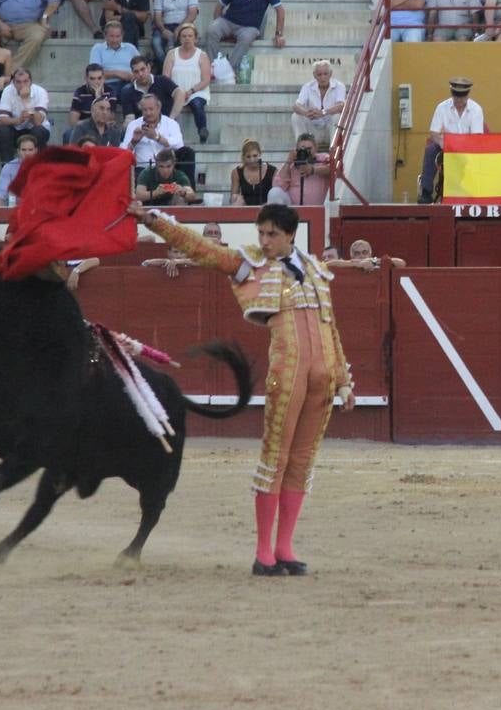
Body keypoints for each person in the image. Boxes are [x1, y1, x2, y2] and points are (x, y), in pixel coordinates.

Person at [128, 201, 354, 578]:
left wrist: (344, 380)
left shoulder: (316, 269)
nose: (264, 241)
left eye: (272, 235)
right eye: (260, 233)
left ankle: (285, 547)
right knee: (275, 459)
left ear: (290, 235)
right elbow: (201, 249)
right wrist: (153, 220)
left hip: (323, 377)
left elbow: (331, 327)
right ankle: (264, 552)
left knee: (301, 461)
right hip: (289, 371)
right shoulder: (251, 264)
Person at [207, 0, 286, 73]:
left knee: (246, 38)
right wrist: (219, 23)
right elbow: (219, 6)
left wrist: (279, 34)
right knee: (212, 29)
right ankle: (213, 66)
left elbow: (280, 10)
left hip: (249, 27)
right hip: (228, 22)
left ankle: (228, 71)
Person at [420, 76, 485, 204]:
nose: (459, 99)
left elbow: (476, 138)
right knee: (430, 151)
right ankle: (426, 192)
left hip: (467, 150)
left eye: (462, 96)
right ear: (452, 94)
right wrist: (444, 143)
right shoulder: (441, 107)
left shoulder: (476, 110)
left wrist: (454, 140)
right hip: (445, 148)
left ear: (468, 95)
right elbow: (434, 133)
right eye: (456, 96)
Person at [151, 0, 199, 71]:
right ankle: (168, 69)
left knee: (185, 39)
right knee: (156, 42)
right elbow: (157, 17)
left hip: (185, 25)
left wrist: (180, 28)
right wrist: (163, 30)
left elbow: (192, 14)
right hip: (165, 25)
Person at [0, 67, 51, 160]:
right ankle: (7, 167)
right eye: (18, 82)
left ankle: (38, 168)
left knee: (38, 131)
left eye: (25, 81)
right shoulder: (8, 91)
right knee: (4, 131)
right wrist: (18, 120)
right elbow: (1, 119)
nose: (22, 85)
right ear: (13, 82)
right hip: (16, 129)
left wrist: (26, 101)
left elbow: (38, 122)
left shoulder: (40, 92)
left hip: (36, 129)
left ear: (31, 82)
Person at [123, 93, 186, 170]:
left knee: (188, 152)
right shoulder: (133, 125)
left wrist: (157, 137)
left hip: (167, 169)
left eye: (151, 109)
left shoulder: (171, 123)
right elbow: (123, 152)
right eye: (145, 110)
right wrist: (134, 142)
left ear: (158, 108)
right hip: (143, 168)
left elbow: (180, 145)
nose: (148, 113)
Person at [290, 59, 346, 144]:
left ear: (330, 74)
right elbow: (296, 106)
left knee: (337, 116)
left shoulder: (339, 86)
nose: (323, 78)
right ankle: (302, 148)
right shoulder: (308, 87)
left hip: (330, 129)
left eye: (325, 74)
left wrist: (323, 112)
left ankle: (334, 149)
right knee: (296, 116)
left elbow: (341, 106)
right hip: (313, 132)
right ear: (314, 75)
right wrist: (307, 113)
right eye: (319, 75)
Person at [270, 131, 331, 206]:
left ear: (316, 148)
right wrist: (288, 162)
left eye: (309, 149)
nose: (306, 152)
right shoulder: (291, 163)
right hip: (293, 209)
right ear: (296, 149)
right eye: (303, 149)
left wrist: (313, 170)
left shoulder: (324, 158)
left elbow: (333, 168)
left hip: (318, 207)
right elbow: (277, 185)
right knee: (274, 192)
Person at [90, 20, 139, 95]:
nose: (114, 40)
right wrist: (117, 73)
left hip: (129, 83)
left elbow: (141, 65)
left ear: (122, 35)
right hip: (108, 83)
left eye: (118, 36)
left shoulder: (130, 48)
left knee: (130, 90)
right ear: (105, 36)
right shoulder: (98, 48)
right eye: (111, 36)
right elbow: (94, 73)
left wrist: (133, 76)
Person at [0, 131, 40, 207]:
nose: (27, 153)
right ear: (18, 151)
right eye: (23, 150)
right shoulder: (9, 167)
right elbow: (0, 196)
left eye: (30, 150)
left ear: (36, 150)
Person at [231, 139, 276, 207]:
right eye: (248, 157)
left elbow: (276, 196)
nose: (252, 160)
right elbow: (233, 195)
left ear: (260, 154)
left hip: (267, 210)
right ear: (243, 157)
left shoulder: (272, 171)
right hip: (244, 210)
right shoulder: (236, 172)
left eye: (255, 156)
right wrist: (236, 199)